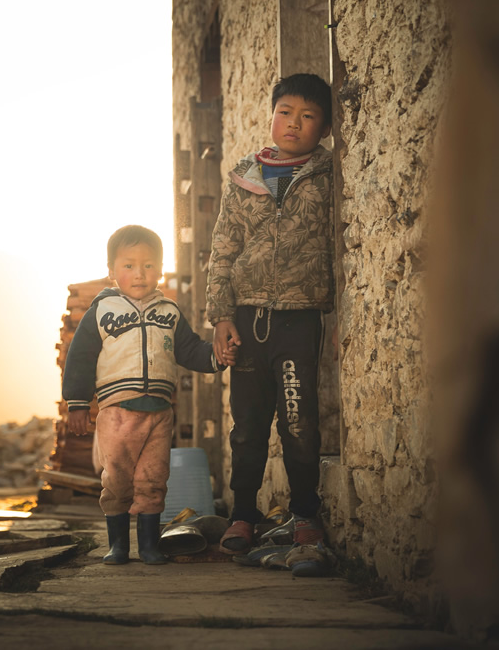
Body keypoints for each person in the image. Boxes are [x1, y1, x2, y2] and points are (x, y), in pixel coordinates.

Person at [207, 73, 334, 557]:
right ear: (271, 115)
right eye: (285, 112)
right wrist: (221, 316)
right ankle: (244, 514)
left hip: (299, 319)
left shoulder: (327, 175)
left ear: (323, 128)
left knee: (299, 423)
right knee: (248, 425)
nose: (294, 124)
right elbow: (223, 251)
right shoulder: (244, 178)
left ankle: (305, 514)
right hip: (248, 318)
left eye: (307, 117)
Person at [63, 225, 232, 565]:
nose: (139, 273)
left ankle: (150, 546)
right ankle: (118, 546)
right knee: (118, 481)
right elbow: (80, 357)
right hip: (117, 414)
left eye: (149, 265)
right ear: (111, 270)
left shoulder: (168, 312)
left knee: (153, 480)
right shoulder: (103, 310)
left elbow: (189, 350)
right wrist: (78, 403)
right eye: (129, 265)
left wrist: (217, 357)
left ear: (161, 268)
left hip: (159, 413)